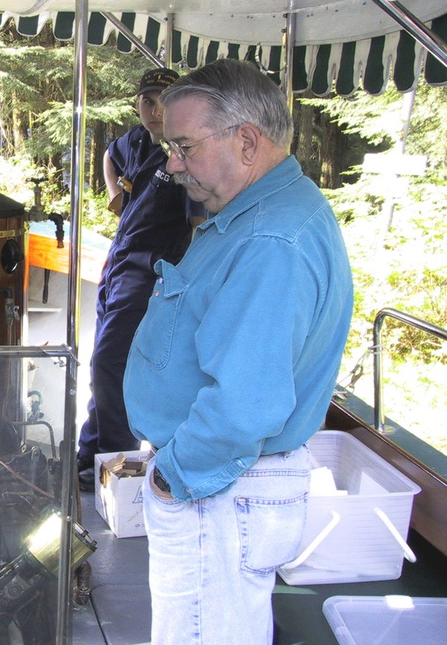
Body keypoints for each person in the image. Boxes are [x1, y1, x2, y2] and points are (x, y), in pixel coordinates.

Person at [123, 59, 353, 644]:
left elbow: (244, 406)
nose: (171, 165)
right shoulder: (252, 215)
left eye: (184, 146)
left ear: (247, 141)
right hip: (216, 486)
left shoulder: (272, 241)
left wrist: (170, 479)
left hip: (218, 491)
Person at [77, 67, 205, 489]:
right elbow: (108, 154)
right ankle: (90, 454)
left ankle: (114, 462)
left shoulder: (185, 155)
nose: (155, 110)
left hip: (149, 272)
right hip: (118, 261)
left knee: (112, 363)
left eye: (165, 102)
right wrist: (114, 190)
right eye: (148, 101)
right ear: (137, 104)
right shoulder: (134, 141)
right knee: (101, 361)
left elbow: (199, 224)